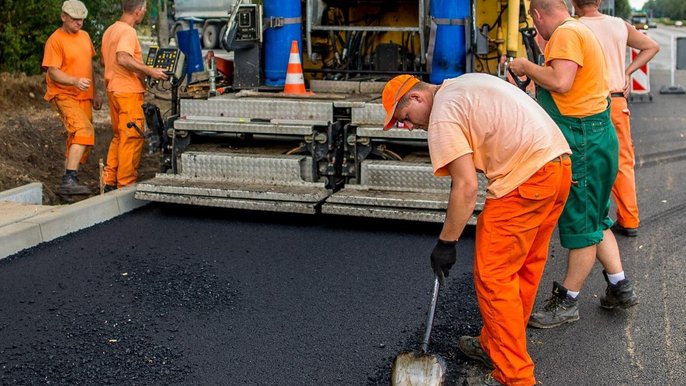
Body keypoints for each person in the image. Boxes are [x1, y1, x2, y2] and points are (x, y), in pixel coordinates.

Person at [382, 73, 572, 386]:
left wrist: (447, 242)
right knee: (523, 269)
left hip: (525, 180)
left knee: (493, 278)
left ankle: (515, 377)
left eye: (405, 117)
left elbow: (467, 187)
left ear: (416, 98)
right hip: (557, 167)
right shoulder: (462, 85)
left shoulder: (442, 114)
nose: (410, 125)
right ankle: (493, 347)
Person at [509, 0, 638, 330]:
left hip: (582, 144)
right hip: (596, 135)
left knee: (581, 227)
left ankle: (566, 301)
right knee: (595, 218)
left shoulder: (566, 34)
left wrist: (525, 65)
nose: (536, 31)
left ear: (537, 15)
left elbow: (561, 81)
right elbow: (567, 87)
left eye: (534, 24)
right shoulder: (581, 29)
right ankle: (620, 286)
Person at [573, 0, 659, 237]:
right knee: (622, 161)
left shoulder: (572, 27)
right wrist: (627, 72)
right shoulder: (618, 25)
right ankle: (629, 220)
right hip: (616, 100)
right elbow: (651, 46)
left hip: (586, 103)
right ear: (599, 1)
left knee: (583, 161)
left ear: (572, 2)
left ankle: (587, 220)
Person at [101, 0, 167, 190]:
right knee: (131, 138)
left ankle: (108, 181)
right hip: (128, 92)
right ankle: (125, 186)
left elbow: (106, 60)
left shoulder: (110, 30)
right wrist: (149, 71)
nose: (144, 13)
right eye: (144, 9)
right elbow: (122, 57)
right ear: (138, 11)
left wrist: (141, 73)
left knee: (119, 136)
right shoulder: (128, 31)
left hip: (113, 89)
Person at [42, 0, 102, 196]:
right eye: (75, 20)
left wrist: (95, 92)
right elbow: (53, 72)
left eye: (82, 20)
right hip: (64, 94)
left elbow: (89, 66)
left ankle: (68, 183)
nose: (80, 23)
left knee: (81, 137)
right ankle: (69, 179)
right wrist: (74, 81)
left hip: (84, 95)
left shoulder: (84, 36)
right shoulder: (55, 40)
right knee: (83, 130)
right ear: (63, 17)